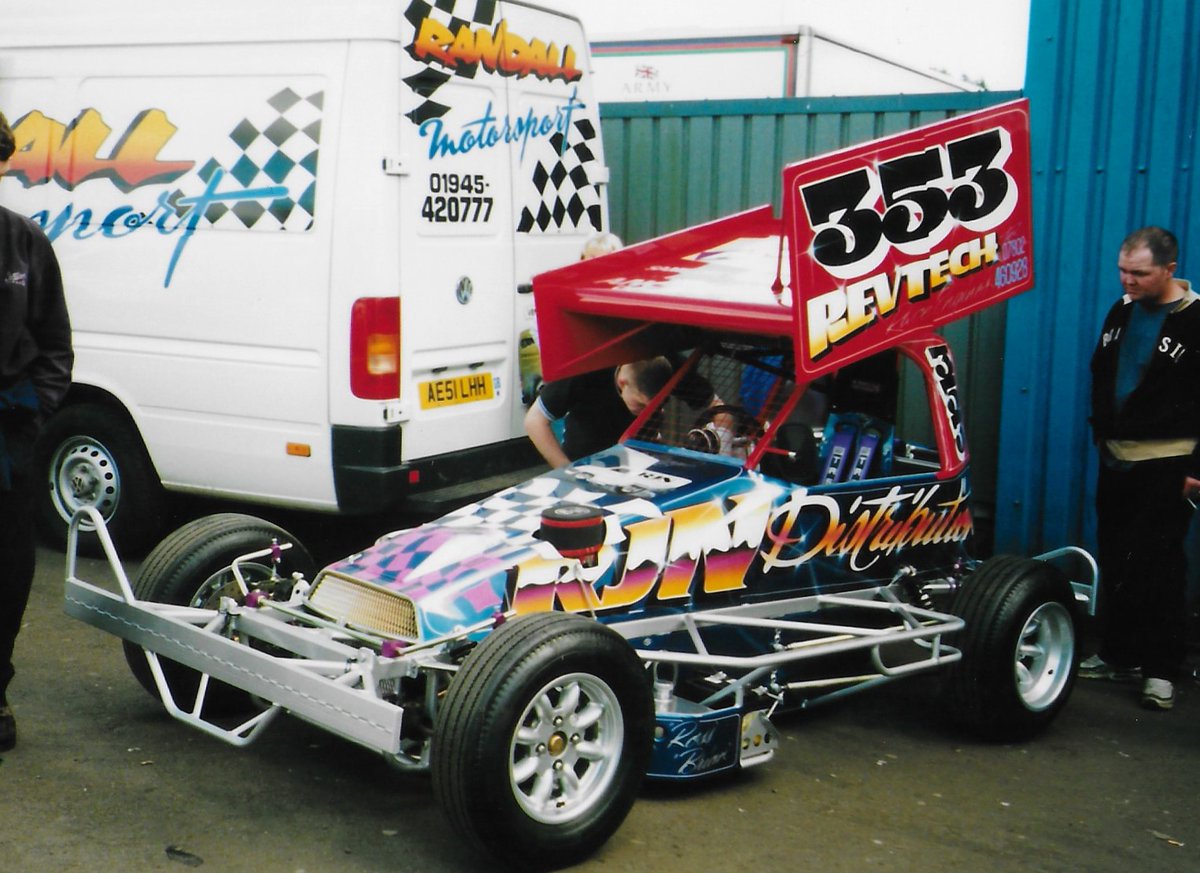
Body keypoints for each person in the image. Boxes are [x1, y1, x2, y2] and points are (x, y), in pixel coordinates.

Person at [1084, 226, 1196, 711]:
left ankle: (1161, 672)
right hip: (1117, 457)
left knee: (1159, 565)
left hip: (1168, 462)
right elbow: (1102, 372)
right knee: (1117, 557)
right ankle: (1119, 654)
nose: (1127, 281)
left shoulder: (1196, 320)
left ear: (1169, 271)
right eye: (1123, 271)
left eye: (1140, 274)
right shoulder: (1121, 309)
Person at [0, 111, 74, 751]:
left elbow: (55, 343)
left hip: (6, 441)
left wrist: (33, 416)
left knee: (6, 572)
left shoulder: (24, 244)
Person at [524, 357, 673, 468]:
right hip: (587, 465)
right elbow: (534, 421)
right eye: (641, 405)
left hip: (643, 465)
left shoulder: (670, 364)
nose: (647, 414)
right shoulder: (586, 370)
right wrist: (567, 470)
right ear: (623, 382)